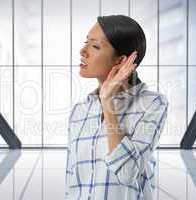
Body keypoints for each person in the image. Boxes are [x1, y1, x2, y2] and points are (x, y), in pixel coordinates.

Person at [65, 15, 168, 200]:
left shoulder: (152, 104)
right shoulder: (79, 110)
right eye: (86, 42)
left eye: (94, 46)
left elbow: (127, 173)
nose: (83, 51)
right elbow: (71, 183)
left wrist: (107, 102)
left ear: (120, 61)